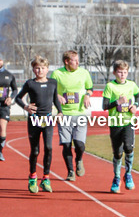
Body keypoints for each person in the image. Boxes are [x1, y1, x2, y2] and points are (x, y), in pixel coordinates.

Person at [15, 56, 61, 192]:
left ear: (47, 69)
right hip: (34, 120)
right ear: (33, 69)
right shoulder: (30, 83)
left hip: (48, 119)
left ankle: (46, 178)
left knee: (48, 147)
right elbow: (18, 97)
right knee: (35, 151)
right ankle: (32, 177)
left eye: (43, 68)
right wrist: (26, 107)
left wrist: (60, 112)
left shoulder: (53, 83)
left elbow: (55, 99)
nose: (40, 70)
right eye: (37, 68)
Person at [50, 50, 93, 181]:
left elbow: (90, 88)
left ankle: (79, 159)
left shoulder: (84, 73)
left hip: (80, 113)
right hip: (64, 113)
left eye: (78, 60)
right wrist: (57, 95)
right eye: (75, 60)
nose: (78, 62)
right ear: (67, 62)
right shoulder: (57, 74)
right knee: (67, 144)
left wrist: (87, 95)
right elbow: (50, 91)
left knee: (79, 144)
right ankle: (70, 171)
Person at [101, 59, 139, 192]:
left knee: (129, 148)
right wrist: (118, 101)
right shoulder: (110, 86)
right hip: (115, 123)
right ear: (114, 72)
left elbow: (138, 97)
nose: (122, 75)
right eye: (120, 72)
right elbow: (104, 106)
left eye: (125, 72)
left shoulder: (132, 85)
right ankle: (117, 177)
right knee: (118, 153)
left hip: (128, 122)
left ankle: (128, 175)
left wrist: (134, 105)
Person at [0, 57, 18, 162]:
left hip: (3, 105)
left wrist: (11, 97)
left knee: (2, 129)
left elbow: (15, 89)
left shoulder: (9, 75)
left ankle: (0, 151)